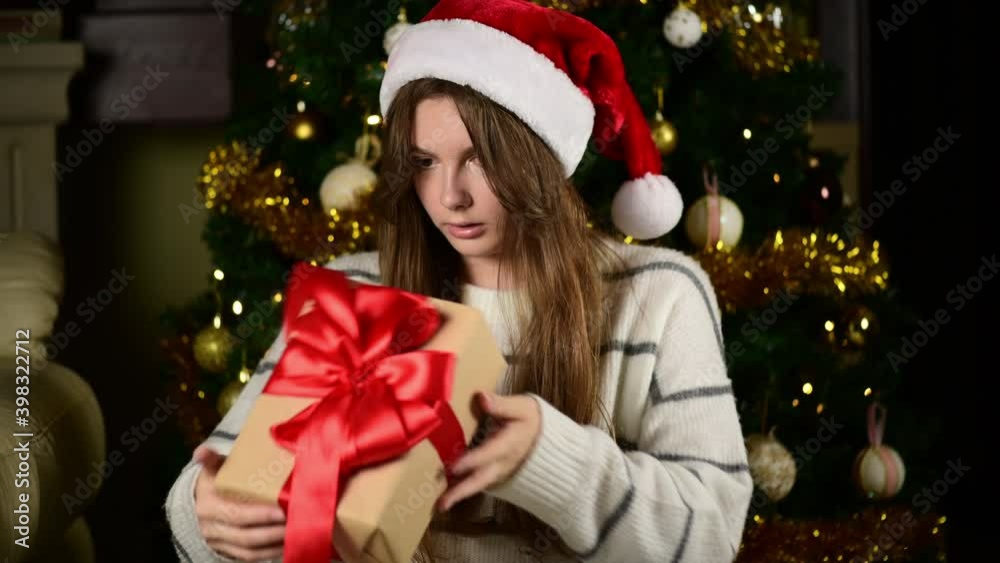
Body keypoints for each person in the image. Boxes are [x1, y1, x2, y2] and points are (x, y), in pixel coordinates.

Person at [165, 0, 752, 561]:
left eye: (481, 159)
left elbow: (712, 539)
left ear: (540, 158)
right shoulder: (353, 293)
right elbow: (211, 498)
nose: (450, 197)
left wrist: (559, 464)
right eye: (424, 162)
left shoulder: (660, 296)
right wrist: (207, 511)